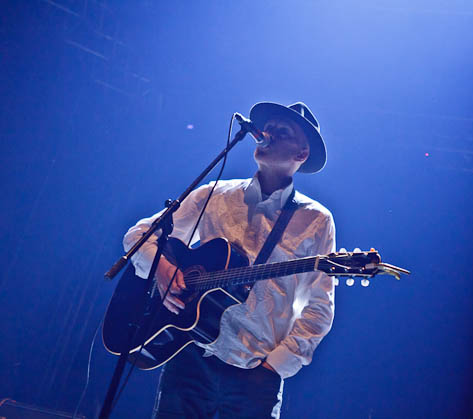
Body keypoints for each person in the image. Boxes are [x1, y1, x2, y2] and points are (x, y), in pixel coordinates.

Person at [123, 102, 336, 418]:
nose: (268, 134)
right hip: (191, 357)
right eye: (268, 128)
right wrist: (164, 271)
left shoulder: (316, 220)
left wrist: (274, 367)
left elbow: (319, 307)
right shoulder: (215, 194)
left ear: (301, 154)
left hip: (255, 372)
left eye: (282, 131)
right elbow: (138, 236)